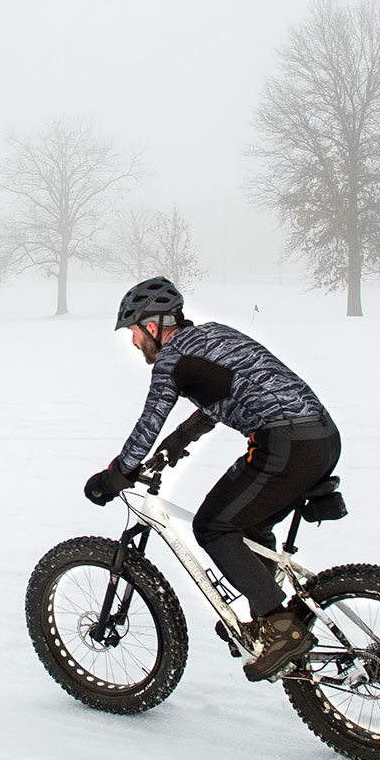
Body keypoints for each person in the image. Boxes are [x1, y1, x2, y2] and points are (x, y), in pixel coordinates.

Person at [84, 277, 341, 683]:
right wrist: (176, 445)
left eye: (134, 331)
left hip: (284, 443)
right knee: (248, 524)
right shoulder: (216, 335)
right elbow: (224, 399)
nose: (134, 343)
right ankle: (266, 610)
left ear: (153, 326)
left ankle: (279, 627)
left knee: (212, 526)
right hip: (321, 437)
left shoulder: (172, 361)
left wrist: (115, 475)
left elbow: (149, 422)